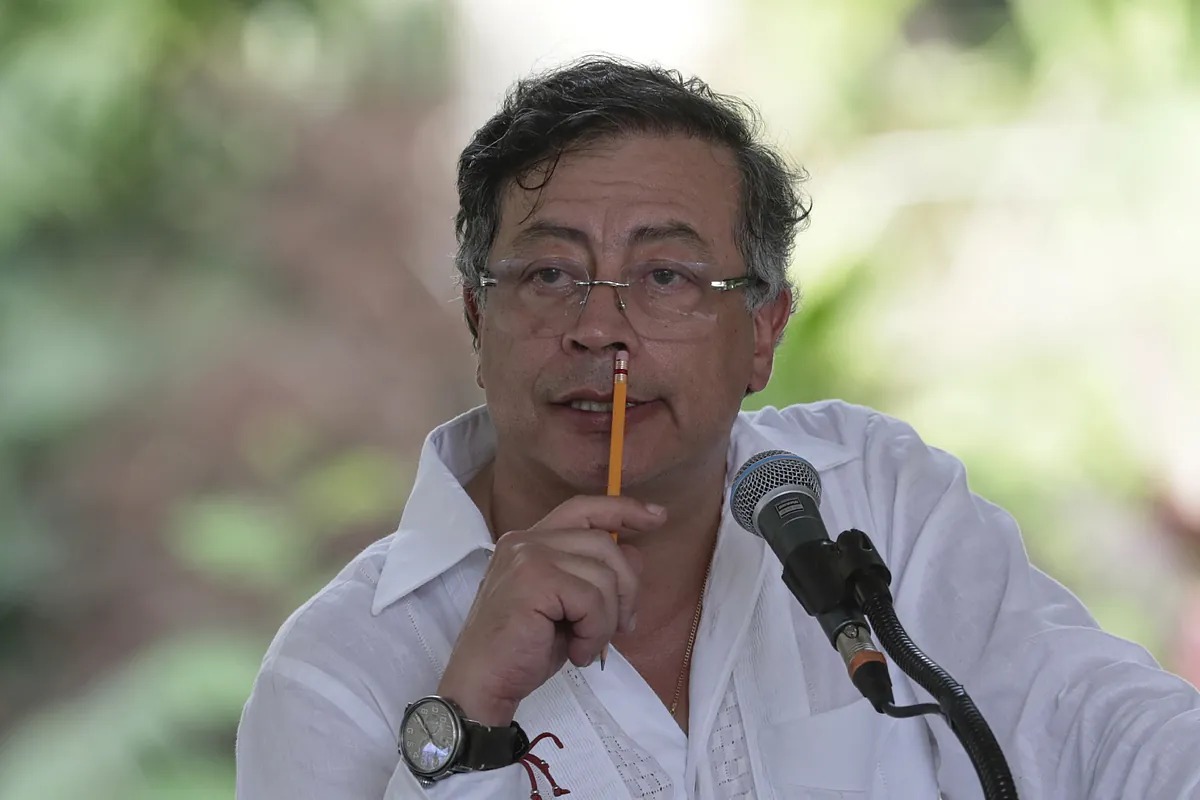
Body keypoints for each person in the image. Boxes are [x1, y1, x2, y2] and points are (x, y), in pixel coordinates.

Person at [235, 57, 1200, 799]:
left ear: (764, 332)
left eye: (665, 276)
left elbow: (1099, 728)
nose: (599, 329)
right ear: (478, 319)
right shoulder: (336, 672)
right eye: (551, 274)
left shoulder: (873, 496)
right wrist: (470, 715)